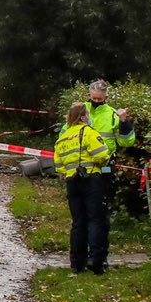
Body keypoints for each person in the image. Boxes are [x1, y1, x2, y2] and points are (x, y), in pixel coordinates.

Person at [54, 102, 114, 273]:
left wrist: (67, 170)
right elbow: (102, 154)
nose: (89, 118)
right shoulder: (88, 133)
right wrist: (104, 161)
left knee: (78, 222)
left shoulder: (63, 138)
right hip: (91, 179)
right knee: (95, 219)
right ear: (82, 117)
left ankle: (77, 262)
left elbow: (58, 164)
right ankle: (96, 260)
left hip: (72, 182)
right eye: (87, 115)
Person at [86, 79, 135, 216]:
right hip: (81, 164)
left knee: (100, 208)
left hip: (103, 166)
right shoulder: (80, 110)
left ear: (106, 98)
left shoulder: (113, 114)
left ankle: (98, 235)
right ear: (89, 95)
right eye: (93, 98)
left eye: (99, 98)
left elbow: (126, 142)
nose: (96, 101)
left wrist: (124, 122)